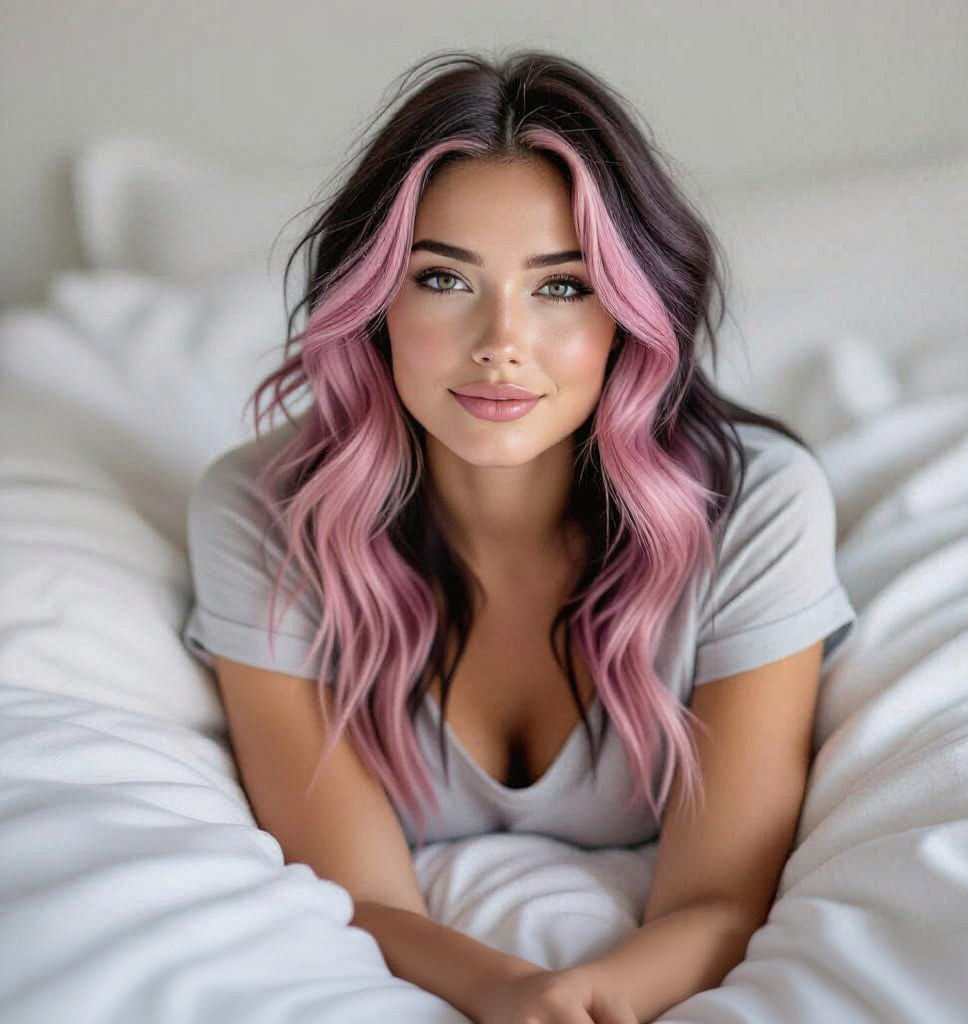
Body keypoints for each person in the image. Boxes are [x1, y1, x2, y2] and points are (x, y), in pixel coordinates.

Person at [183, 48, 856, 1024]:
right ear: (373, 302)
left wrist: (584, 1000)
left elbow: (719, 901)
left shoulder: (759, 507)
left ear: (632, 316)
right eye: (445, 280)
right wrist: (514, 994)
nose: (501, 340)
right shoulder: (259, 511)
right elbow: (355, 896)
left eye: (561, 286)